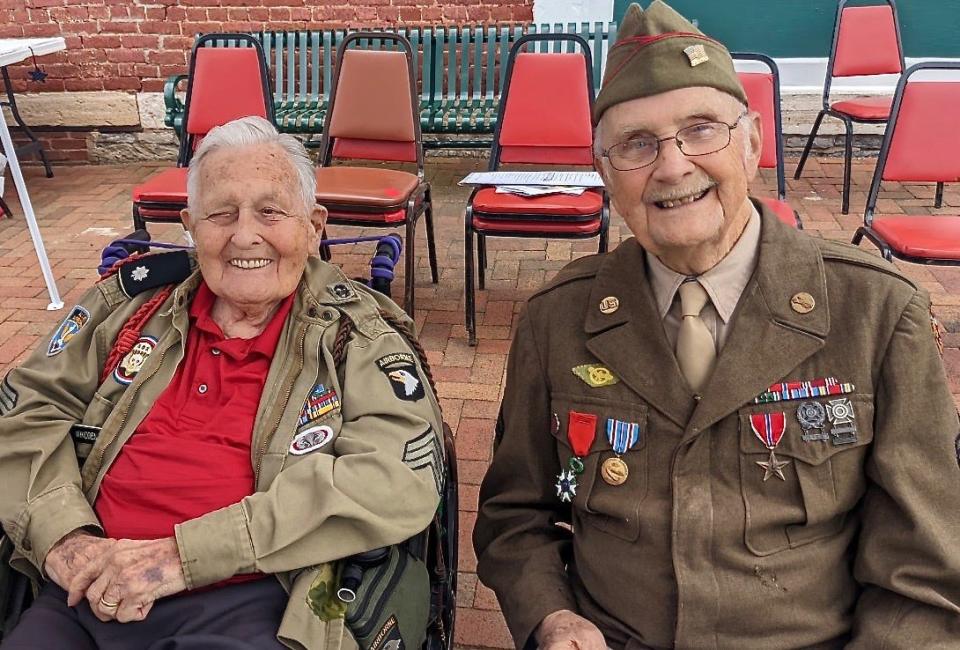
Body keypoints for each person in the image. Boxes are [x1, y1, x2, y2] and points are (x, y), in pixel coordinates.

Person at [473, 2, 960, 649]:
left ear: (754, 141)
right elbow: (515, 515)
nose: (672, 166)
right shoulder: (557, 321)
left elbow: (924, 575)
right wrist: (551, 617)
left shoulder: (875, 314)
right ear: (604, 171)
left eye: (702, 130)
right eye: (636, 144)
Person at [0, 116, 444, 649]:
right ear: (190, 225)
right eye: (221, 214)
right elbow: (25, 411)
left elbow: (395, 478)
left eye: (271, 211)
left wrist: (181, 557)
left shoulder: (359, 336)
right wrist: (65, 540)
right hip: (85, 589)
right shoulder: (128, 310)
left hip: (253, 597)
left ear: (313, 225)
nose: (244, 235)